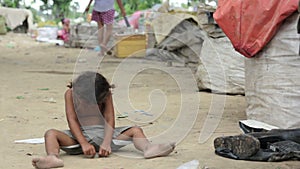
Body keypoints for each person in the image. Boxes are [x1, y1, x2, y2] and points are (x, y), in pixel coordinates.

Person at [32, 71, 175, 169]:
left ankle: (148, 148)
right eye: (85, 102)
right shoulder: (70, 94)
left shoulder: (106, 95)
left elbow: (109, 118)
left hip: (107, 135)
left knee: (136, 130)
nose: (89, 106)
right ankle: (53, 157)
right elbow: (72, 119)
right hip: (78, 137)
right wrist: (83, 143)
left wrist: (107, 143)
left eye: (94, 103)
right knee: (50, 134)